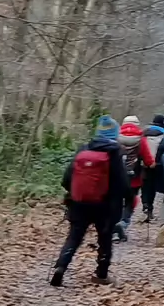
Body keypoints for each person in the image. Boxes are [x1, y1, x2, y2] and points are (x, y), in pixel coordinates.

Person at [52, 116, 130, 287]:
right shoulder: (115, 153)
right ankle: (101, 274)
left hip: (79, 204)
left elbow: (66, 179)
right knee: (105, 239)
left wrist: (75, 194)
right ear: (115, 134)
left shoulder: (83, 149)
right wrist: (125, 199)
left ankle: (61, 267)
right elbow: (123, 184)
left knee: (74, 237)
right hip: (105, 206)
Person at [115, 116, 147, 240]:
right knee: (130, 200)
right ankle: (124, 222)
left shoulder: (116, 138)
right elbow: (148, 159)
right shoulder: (141, 139)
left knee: (117, 200)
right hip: (134, 177)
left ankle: (114, 226)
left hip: (117, 176)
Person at [139, 120, 164, 222]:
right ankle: (150, 208)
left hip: (144, 165)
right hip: (157, 165)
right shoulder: (163, 137)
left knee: (144, 186)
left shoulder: (143, 135)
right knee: (152, 187)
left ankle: (145, 204)